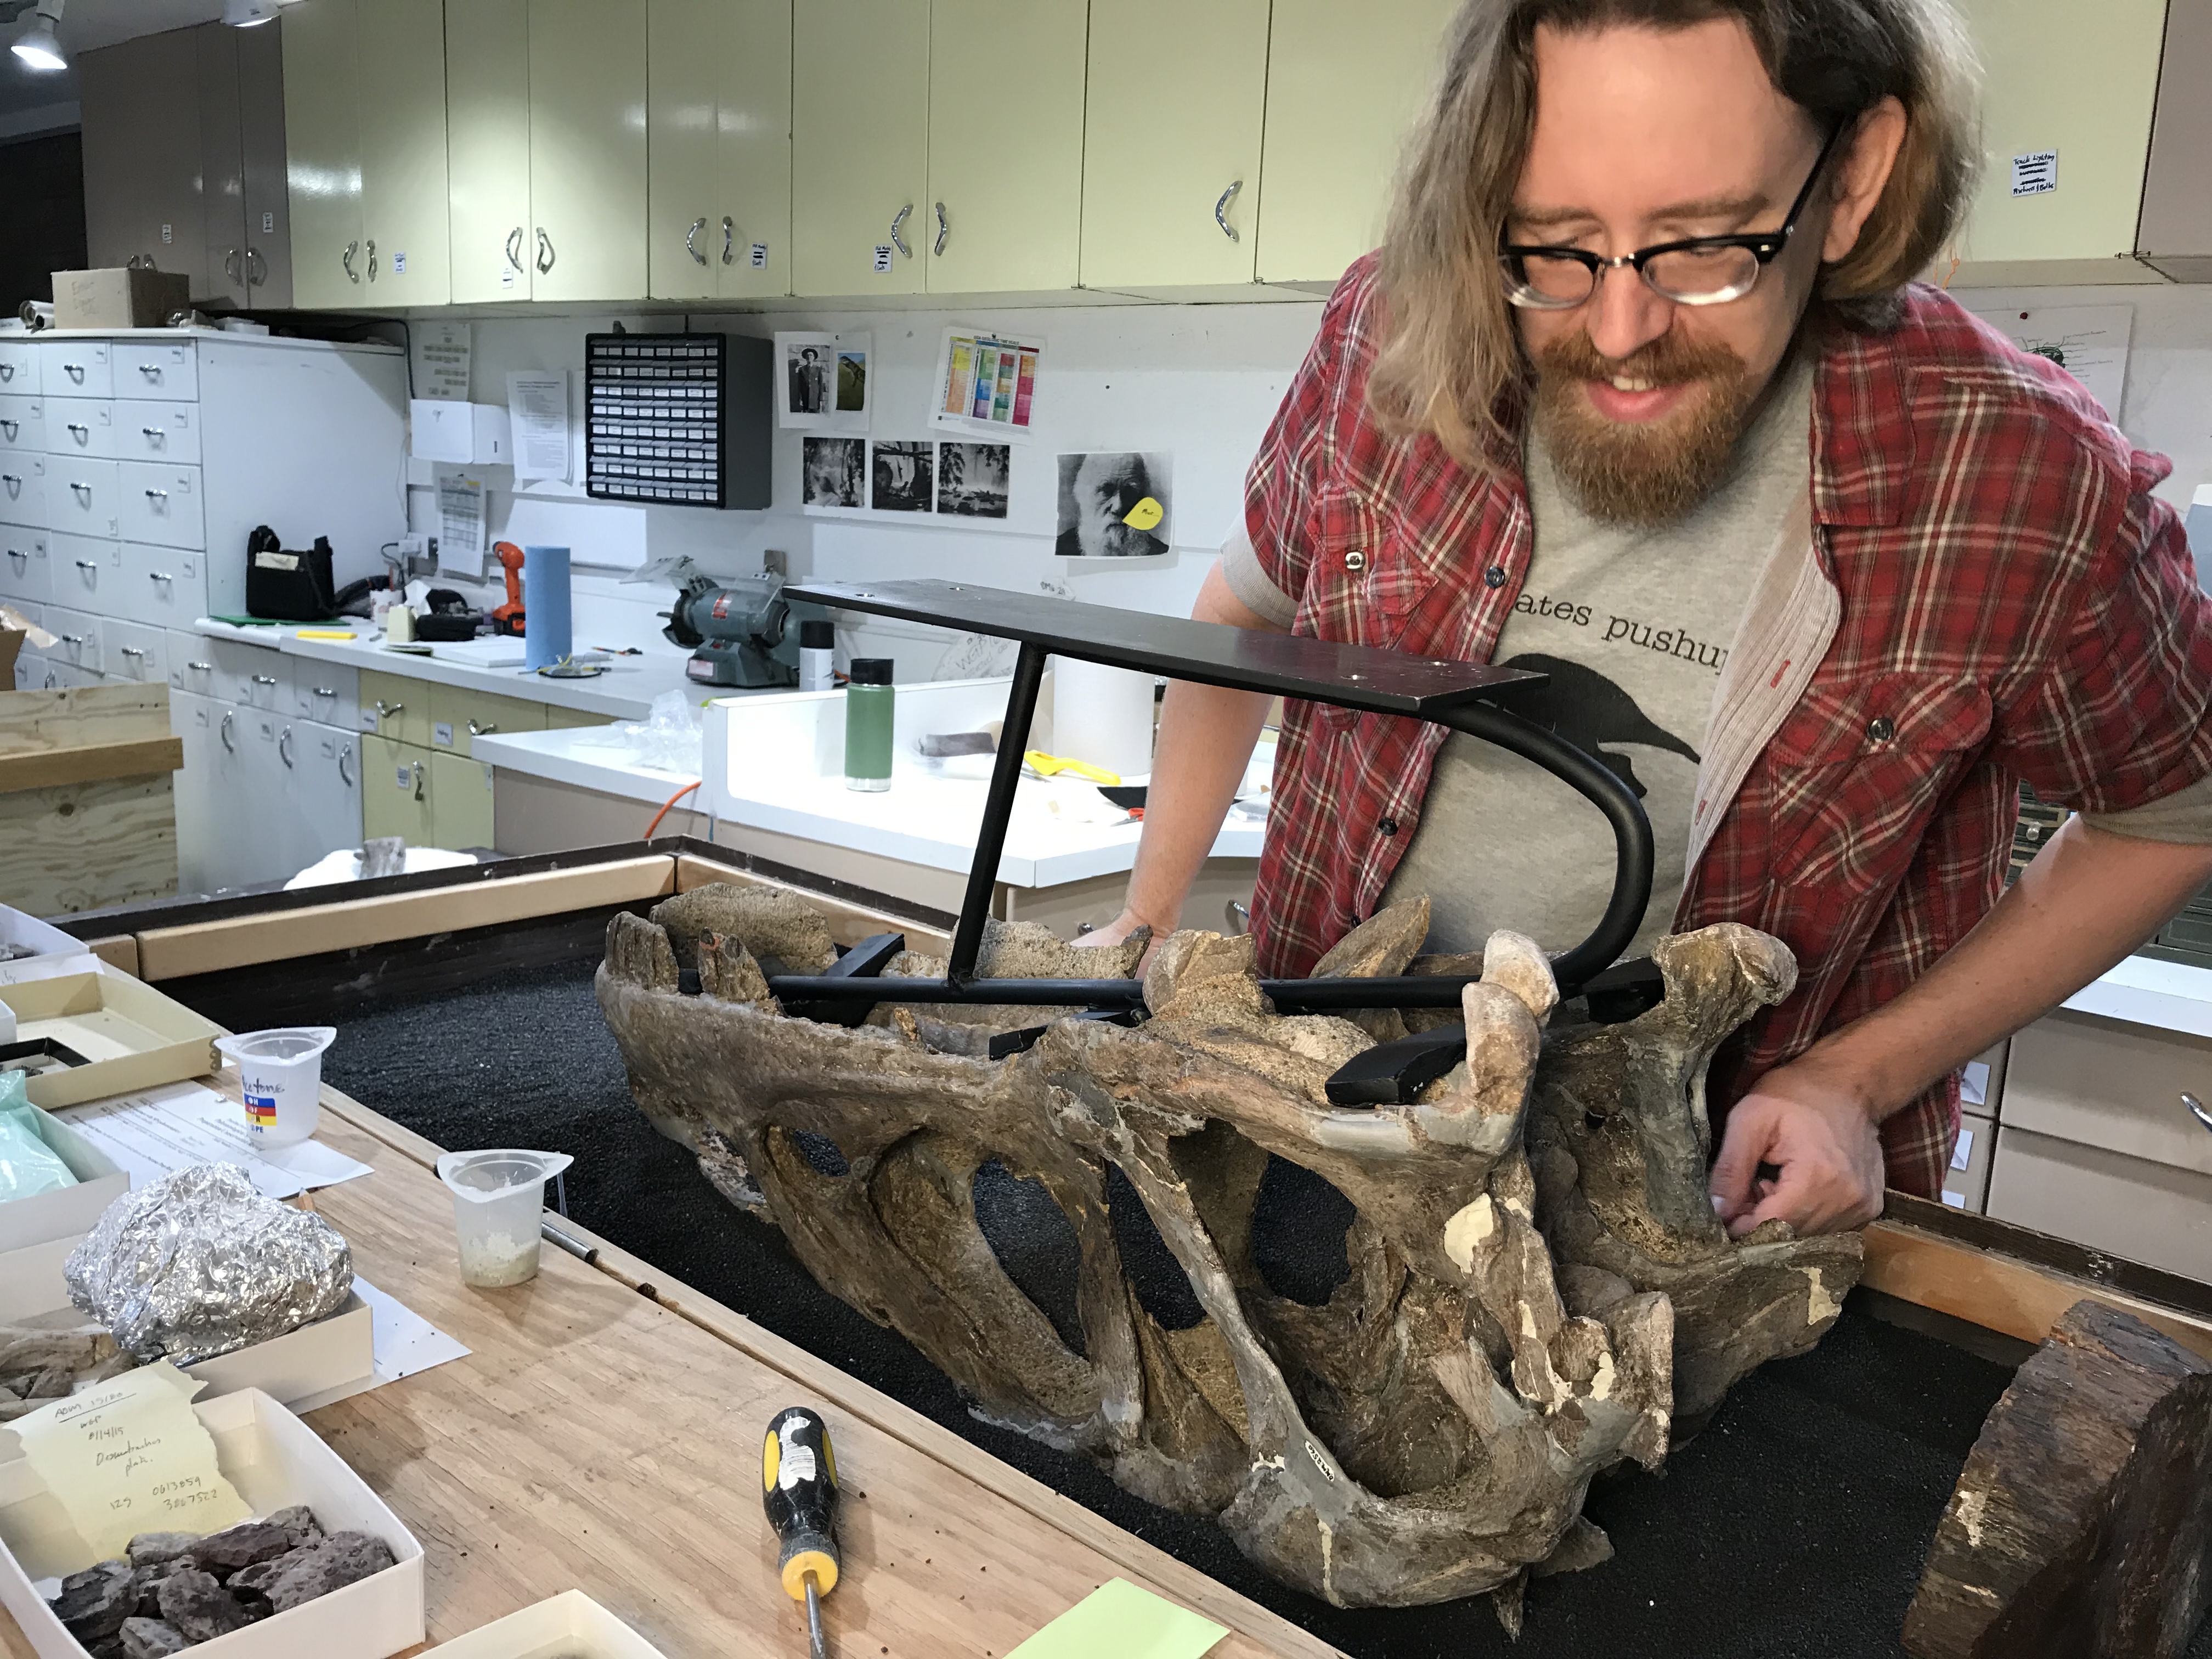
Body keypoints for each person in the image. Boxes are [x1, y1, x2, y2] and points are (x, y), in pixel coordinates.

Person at [1077, 0, 2212, 1241]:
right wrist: (1148, 918)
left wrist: (1857, 1078)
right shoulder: (1391, 332)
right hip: (1306, 1133)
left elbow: (2171, 820)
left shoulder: (2022, 473)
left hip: (1701, 1221)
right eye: (1554, 245)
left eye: (1704, 245)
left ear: (1853, 178)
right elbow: (1239, 623)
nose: (1621, 336)